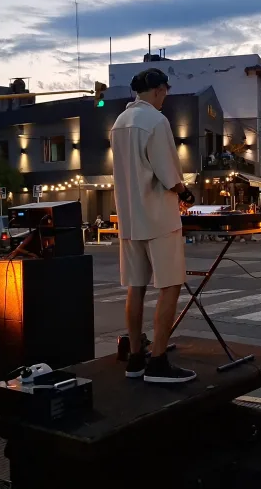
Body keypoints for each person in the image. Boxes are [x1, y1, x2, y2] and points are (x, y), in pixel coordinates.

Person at [110, 68, 197, 384]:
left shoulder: (119, 123)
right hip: (159, 216)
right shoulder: (156, 121)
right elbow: (169, 173)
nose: (165, 99)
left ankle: (135, 357)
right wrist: (185, 193)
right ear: (159, 90)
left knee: (136, 287)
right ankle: (158, 360)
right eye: (165, 93)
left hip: (130, 217)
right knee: (170, 285)